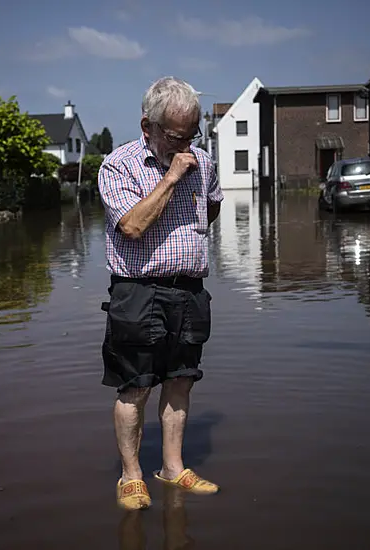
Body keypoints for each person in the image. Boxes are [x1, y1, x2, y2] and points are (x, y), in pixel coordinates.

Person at [97, 76, 223, 510]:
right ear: (147, 126)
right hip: (138, 290)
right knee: (135, 387)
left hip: (190, 291)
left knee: (181, 382)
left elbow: (213, 205)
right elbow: (131, 226)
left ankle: (172, 468)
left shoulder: (203, 162)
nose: (187, 145)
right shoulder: (118, 165)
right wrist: (169, 179)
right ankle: (131, 477)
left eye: (193, 135)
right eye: (176, 136)